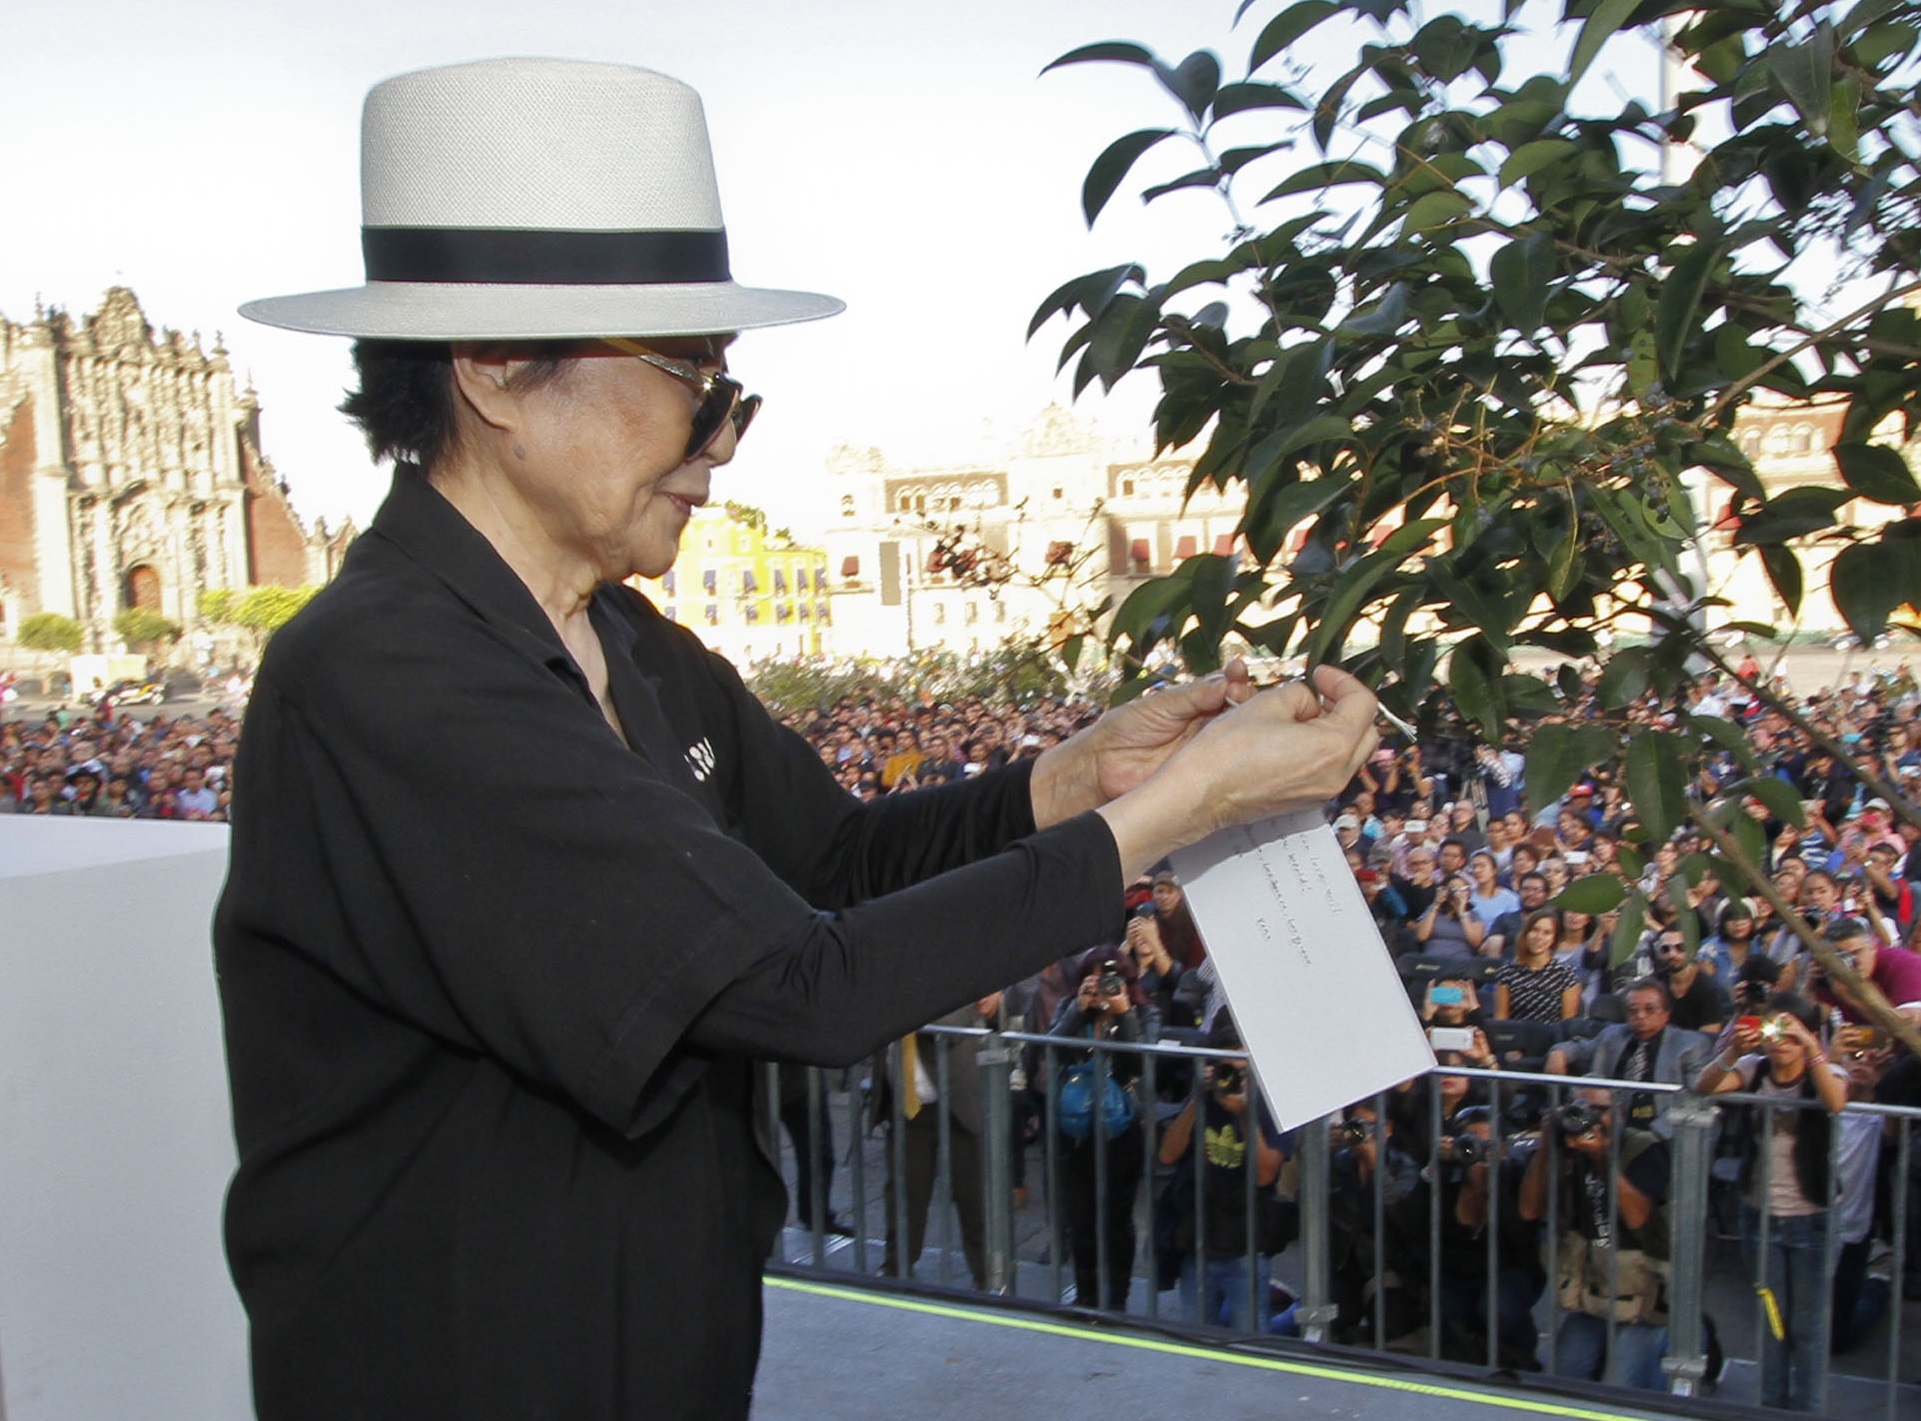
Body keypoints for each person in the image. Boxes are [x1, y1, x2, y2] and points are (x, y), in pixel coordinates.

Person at [212, 58, 1382, 1421]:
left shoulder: (632, 642)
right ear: (493, 371)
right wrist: (1165, 818)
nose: (721, 444)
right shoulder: (386, 671)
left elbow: (828, 859)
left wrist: (1071, 783)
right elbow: (797, 985)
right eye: (692, 384)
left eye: (733, 397)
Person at [1697, 994, 1848, 1411]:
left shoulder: (1825, 1071)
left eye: (1790, 1033)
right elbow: (1703, 1086)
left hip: (1813, 1220)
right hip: (1759, 1217)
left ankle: (1806, 1411)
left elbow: (1836, 1102)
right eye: (1773, 1031)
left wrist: (1813, 1048)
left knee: (1809, 1327)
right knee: (1772, 1323)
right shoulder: (1753, 1069)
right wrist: (1735, 1049)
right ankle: (1771, 1407)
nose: (1780, 1042)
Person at [1546, 979, 1714, 1137]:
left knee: (1630, 1144)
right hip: (1606, 1126)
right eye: (1633, 1010)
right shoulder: (1613, 1036)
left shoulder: (1691, 1045)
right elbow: (1580, 1048)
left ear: (1666, 1014)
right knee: (1557, 1127)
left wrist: (1653, 1134)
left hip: (1657, 1132)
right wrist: (1559, 1052)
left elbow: (1695, 1099)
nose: (1640, 1016)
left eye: (1649, 1009)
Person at [1493, 909, 1583, 1022]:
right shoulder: (1507, 972)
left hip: (1552, 1037)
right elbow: (1501, 1018)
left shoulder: (1565, 975)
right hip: (1517, 1035)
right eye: (1535, 930)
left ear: (1554, 938)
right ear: (1526, 933)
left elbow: (1567, 1024)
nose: (1539, 937)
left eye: (1547, 933)